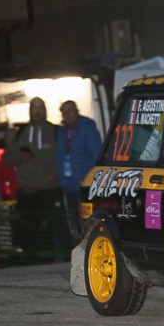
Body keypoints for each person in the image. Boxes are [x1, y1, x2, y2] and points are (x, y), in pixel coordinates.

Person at [3, 97, 64, 254]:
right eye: (34, 108)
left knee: (49, 231)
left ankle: (51, 260)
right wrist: (19, 158)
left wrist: (57, 173)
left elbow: (67, 156)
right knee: (28, 232)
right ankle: (32, 260)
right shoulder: (21, 132)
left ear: (45, 110)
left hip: (49, 191)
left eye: (40, 107)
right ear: (30, 111)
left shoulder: (56, 131)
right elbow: (7, 159)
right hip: (26, 192)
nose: (37, 111)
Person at [57, 100, 102, 237]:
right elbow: (59, 156)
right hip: (69, 186)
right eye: (64, 111)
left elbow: (95, 155)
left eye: (70, 110)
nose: (67, 114)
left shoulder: (88, 129)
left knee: (87, 221)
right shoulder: (62, 132)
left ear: (77, 111)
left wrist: (89, 181)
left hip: (84, 185)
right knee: (75, 220)